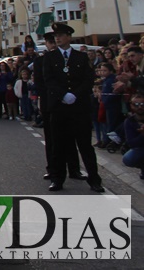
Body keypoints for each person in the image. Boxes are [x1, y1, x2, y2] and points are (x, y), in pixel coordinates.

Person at [43, 23, 103, 192]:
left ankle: (94, 180)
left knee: (85, 145)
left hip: (78, 108)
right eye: (56, 36)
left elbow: (88, 79)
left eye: (61, 35)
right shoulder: (50, 57)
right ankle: (57, 179)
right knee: (58, 145)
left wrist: (75, 94)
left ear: (69, 37)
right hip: (59, 108)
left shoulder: (81, 57)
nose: (57, 38)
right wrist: (63, 95)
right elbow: (49, 80)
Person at [116, 95, 144, 179]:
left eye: (142, 104)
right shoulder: (129, 121)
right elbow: (131, 143)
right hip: (141, 148)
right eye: (136, 104)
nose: (140, 107)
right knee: (128, 158)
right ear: (131, 105)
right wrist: (142, 135)